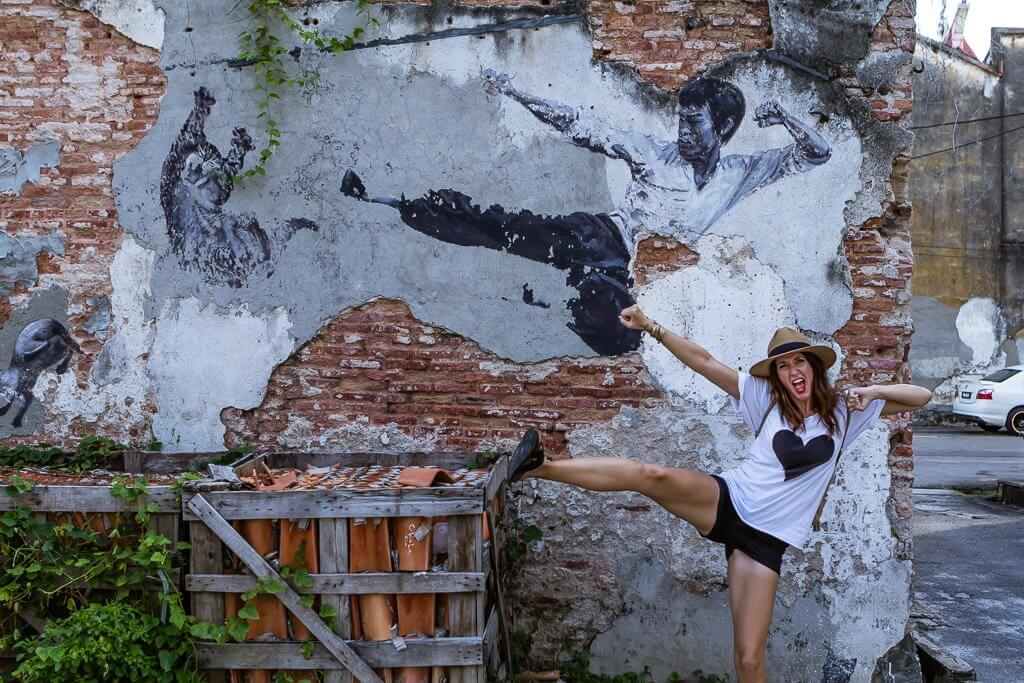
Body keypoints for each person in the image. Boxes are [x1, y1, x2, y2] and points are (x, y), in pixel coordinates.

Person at [507, 304, 932, 683]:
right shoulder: (762, 397)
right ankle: (541, 468)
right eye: (783, 366)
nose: (792, 371)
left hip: (765, 544)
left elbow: (921, 397)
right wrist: (651, 326)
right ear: (777, 376)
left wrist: (874, 391)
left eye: (799, 361)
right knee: (648, 474)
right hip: (730, 501)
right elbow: (704, 362)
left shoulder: (843, 412)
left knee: (749, 660)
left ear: (813, 368)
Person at [340, 71, 831, 356]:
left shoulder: (742, 172)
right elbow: (584, 126)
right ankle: (394, 200)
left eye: (694, 122)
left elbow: (817, 154)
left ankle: (542, 303)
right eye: (679, 119)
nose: (683, 131)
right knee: (509, 230)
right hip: (602, 237)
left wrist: (786, 117)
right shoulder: (654, 154)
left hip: (631, 272)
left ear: (722, 127)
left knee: (617, 330)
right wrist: (517, 93)